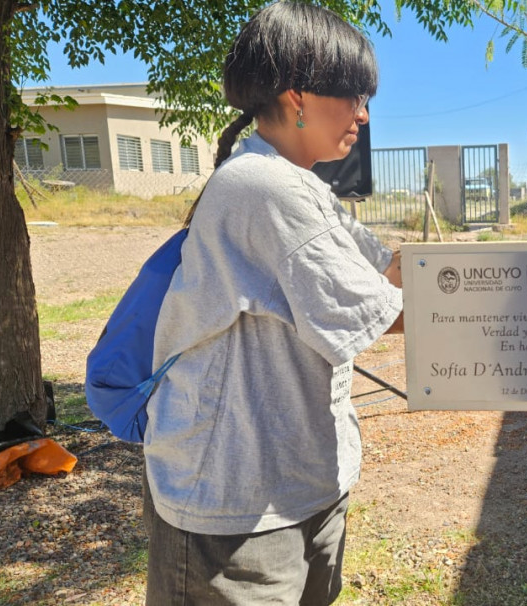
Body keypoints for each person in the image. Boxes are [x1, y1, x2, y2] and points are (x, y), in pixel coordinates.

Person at [141, 2, 403, 604]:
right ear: (297, 97)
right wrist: (520, 302)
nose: (363, 114)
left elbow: (385, 267)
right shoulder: (263, 186)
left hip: (296, 482)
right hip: (236, 501)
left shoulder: (302, 183)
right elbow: (384, 308)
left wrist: (502, 266)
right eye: (352, 95)